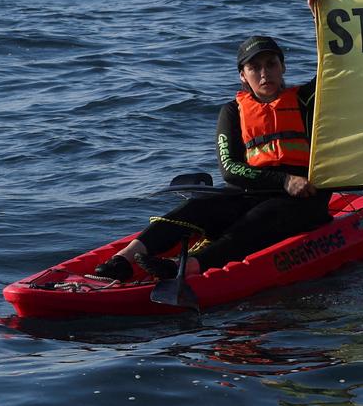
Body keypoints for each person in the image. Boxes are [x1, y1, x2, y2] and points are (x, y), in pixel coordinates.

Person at [93, 33, 332, 282]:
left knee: (256, 221)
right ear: (243, 75)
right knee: (195, 206)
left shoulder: (307, 100)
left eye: (271, 64)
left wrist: (319, 14)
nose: (264, 73)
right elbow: (229, 169)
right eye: (254, 67)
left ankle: (188, 267)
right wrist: (282, 180)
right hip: (253, 192)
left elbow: (335, 65)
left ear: (283, 67)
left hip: (303, 198)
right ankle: (123, 259)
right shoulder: (232, 111)